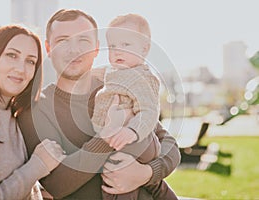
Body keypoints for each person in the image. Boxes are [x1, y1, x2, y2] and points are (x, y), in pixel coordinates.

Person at [18, 9, 180, 199]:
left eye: (83, 41)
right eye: (62, 40)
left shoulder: (117, 86)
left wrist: (146, 174)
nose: (74, 49)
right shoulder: (36, 109)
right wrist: (107, 136)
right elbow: (55, 185)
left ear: (96, 48)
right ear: (48, 48)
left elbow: (169, 146)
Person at [0, 25, 65, 200]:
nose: (21, 69)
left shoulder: (17, 117)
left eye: (30, 61)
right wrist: (37, 166)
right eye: (12, 55)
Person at [91, 13, 163, 200]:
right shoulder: (118, 72)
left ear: (145, 49)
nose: (117, 51)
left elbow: (149, 110)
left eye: (126, 45)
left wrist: (131, 131)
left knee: (116, 183)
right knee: (122, 183)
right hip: (121, 139)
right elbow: (103, 74)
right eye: (113, 46)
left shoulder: (141, 77)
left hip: (134, 139)